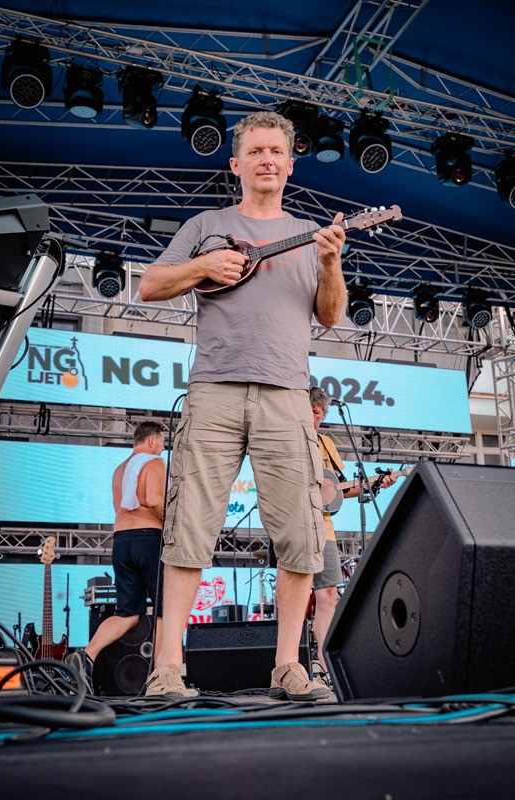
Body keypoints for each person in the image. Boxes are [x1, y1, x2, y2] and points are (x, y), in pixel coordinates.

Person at [139, 110, 348, 702]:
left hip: (288, 395)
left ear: (290, 164)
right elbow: (149, 285)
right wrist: (203, 266)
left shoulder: (310, 235)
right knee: (189, 526)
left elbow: (330, 315)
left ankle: (288, 666)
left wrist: (331, 263)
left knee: (300, 532)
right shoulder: (207, 225)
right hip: (214, 390)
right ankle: (167, 669)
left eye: (276, 152)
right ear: (236, 164)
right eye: (255, 151)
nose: (266, 160)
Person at [66, 421, 167, 693]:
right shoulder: (154, 463)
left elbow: (119, 506)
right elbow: (154, 500)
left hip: (122, 540)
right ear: (152, 441)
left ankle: (86, 655)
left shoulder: (119, 470)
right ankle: (161, 676)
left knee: (128, 613)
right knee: (164, 611)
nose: (162, 448)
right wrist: (172, 520)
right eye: (162, 442)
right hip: (149, 538)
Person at [309, 386, 396, 678]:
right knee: (293, 596)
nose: (316, 418)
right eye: (311, 412)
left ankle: (324, 667)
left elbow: (339, 489)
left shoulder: (326, 443)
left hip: (324, 527)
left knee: (328, 594)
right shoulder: (287, 438)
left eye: (320, 413)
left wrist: (376, 482)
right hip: (293, 524)